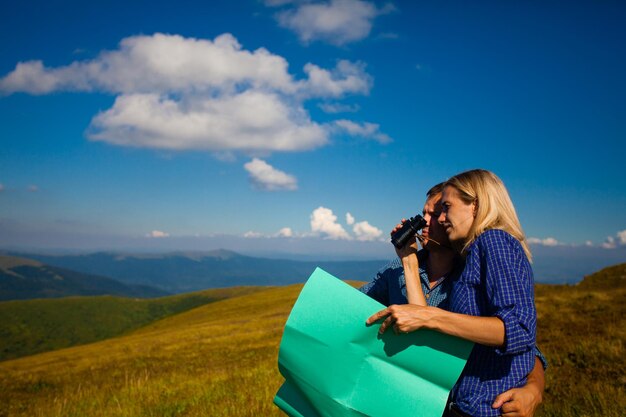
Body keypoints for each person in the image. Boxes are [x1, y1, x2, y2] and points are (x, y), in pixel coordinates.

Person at [365, 172, 541, 417]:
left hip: (485, 406)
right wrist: (408, 260)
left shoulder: (493, 242)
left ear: (476, 205)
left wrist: (534, 387)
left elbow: (521, 330)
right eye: (425, 214)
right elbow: (426, 328)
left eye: (442, 210)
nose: (434, 220)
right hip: (454, 405)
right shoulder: (472, 259)